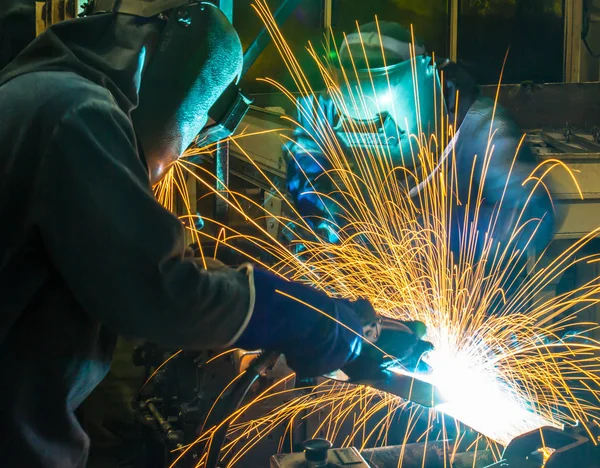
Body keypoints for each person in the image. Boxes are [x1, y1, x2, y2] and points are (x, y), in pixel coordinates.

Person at [0, 3, 428, 467]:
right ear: (171, 84)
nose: (182, 151)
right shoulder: (79, 116)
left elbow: (127, 263)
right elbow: (159, 291)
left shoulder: (43, 92)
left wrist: (292, 305)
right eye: (195, 125)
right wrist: (299, 316)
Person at [285, 21, 556, 263]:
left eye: (383, 134)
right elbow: (305, 170)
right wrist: (325, 217)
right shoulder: (326, 109)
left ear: (421, 94)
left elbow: (535, 217)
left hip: (467, 290)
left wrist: (431, 231)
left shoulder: (482, 128)